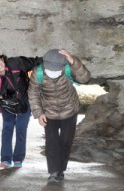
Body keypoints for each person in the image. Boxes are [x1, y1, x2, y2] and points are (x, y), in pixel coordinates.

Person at [28, 49, 90, 183]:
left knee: (66, 142)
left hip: (70, 111)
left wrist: (73, 61)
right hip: (49, 113)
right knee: (52, 142)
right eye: (51, 69)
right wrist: (39, 113)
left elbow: (85, 78)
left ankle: (60, 169)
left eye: (57, 69)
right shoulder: (38, 72)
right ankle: (54, 172)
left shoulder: (68, 68)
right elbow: (33, 93)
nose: (53, 72)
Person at [0, 51, 42, 169]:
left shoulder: (16, 63)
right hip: (7, 103)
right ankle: (6, 159)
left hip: (24, 100)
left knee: (21, 127)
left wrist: (52, 60)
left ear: (2, 58)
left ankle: (18, 158)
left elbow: (35, 62)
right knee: (7, 127)